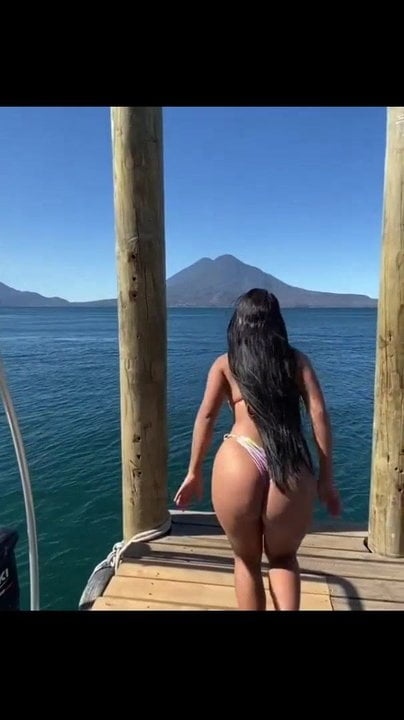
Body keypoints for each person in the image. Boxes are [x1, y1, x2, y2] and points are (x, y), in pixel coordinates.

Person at [174, 289, 340, 611]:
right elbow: (318, 414)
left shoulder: (225, 364)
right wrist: (326, 478)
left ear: (238, 324)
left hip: (240, 458)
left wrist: (194, 472)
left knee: (246, 560)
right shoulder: (296, 361)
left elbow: (206, 417)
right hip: (289, 461)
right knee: (283, 558)